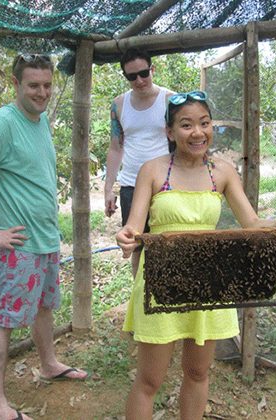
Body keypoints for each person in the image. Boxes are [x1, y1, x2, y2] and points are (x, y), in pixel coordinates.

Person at [115, 91, 276, 419]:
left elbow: (253, 223)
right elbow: (134, 227)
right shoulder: (152, 170)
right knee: (149, 380)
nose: (198, 132)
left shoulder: (224, 172)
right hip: (162, 284)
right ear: (170, 133)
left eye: (204, 123)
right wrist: (127, 237)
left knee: (198, 373)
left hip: (209, 284)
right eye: (186, 125)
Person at [0, 54, 88, 420]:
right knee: (5, 318)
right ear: (15, 85)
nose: (42, 92)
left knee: (44, 307)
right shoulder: (2, 123)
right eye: (34, 85)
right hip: (17, 248)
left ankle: (48, 363)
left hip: (44, 239)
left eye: (47, 85)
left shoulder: (41, 118)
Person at [104, 48, 174, 277]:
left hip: (166, 184)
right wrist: (108, 190)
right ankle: (140, 300)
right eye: (132, 76)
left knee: (169, 243)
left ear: (152, 69)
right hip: (131, 185)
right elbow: (116, 148)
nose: (139, 80)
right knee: (136, 246)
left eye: (144, 73)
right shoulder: (119, 104)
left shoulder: (170, 100)